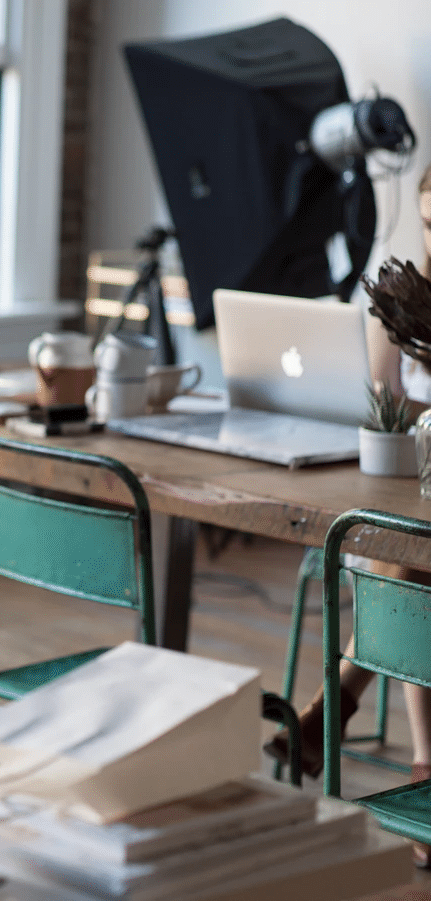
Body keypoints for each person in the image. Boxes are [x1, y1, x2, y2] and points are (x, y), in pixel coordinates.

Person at [265, 163, 431, 868]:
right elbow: (390, 409)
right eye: (428, 224)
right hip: (416, 493)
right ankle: (424, 762)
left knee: (410, 557)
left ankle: (333, 707)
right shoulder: (409, 298)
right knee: (410, 552)